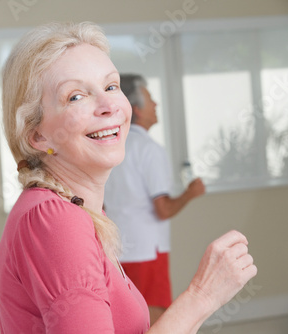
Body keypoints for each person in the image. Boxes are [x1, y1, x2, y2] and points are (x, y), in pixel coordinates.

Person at [0, 22, 257, 333]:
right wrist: (202, 296)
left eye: (111, 86)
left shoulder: (73, 211)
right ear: (38, 136)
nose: (108, 106)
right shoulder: (55, 219)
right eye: (75, 97)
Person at [104, 74, 206, 324]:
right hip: (147, 249)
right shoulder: (149, 149)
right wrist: (190, 193)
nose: (156, 105)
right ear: (136, 109)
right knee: (154, 315)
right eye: (151, 100)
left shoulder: (107, 146)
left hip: (115, 248)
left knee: (122, 318)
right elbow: (163, 209)